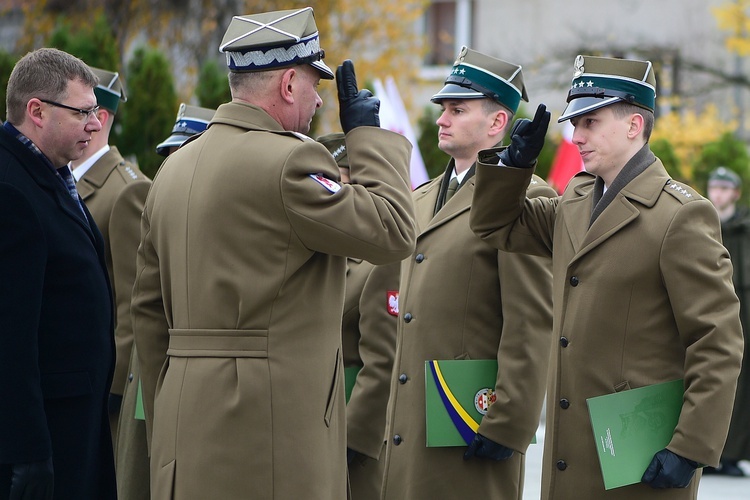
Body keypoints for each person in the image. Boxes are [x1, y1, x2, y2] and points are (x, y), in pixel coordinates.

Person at [131, 7, 417, 499]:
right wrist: (368, 137)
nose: (315, 101)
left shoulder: (171, 172)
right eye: (313, 85)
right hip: (269, 438)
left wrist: (171, 421)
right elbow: (392, 230)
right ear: (288, 83)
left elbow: (148, 315)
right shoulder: (291, 162)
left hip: (185, 428)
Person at [470, 54, 744, 499]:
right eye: (575, 123)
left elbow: (717, 340)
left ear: (634, 125)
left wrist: (691, 446)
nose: (576, 136)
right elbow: (496, 226)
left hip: (640, 456)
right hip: (571, 449)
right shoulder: (576, 199)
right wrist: (513, 168)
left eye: (590, 122)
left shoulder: (680, 215)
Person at [379, 47, 555, 499]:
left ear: (497, 123)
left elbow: (530, 320)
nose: (442, 119)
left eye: (458, 110)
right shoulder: (421, 197)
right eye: (443, 109)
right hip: (414, 417)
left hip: (471, 419)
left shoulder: (520, 199)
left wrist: (508, 423)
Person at [0, 47, 116, 499]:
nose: (95, 123)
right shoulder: (12, 187)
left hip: (72, 420)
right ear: (36, 111)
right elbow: (10, 336)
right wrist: (25, 451)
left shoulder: (47, 172)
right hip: (46, 434)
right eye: (83, 111)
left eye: (97, 111)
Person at [115, 101, 215, 500]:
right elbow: (137, 303)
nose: (173, 164)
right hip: (153, 371)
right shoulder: (156, 199)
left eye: (182, 152)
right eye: (170, 155)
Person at [69, 66, 151, 446]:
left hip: (100, 390)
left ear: (99, 117)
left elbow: (134, 301)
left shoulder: (124, 192)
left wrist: (115, 390)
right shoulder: (61, 179)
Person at [318, 133, 400, 499]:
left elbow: (383, 360)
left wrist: (355, 439)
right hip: (307, 430)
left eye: (342, 182)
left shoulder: (378, 262)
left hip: (351, 441)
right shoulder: (313, 250)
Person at [706, 166, 750, 477]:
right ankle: (707, 452)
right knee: (709, 376)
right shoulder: (700, 222)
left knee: (743, 385)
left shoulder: (746, 228)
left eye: (724, 188)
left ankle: (733, 455)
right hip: (710, 311)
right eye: (714, 187)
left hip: (745, 315)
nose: (718, 193)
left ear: (735, 193)